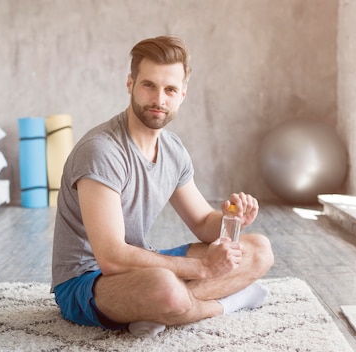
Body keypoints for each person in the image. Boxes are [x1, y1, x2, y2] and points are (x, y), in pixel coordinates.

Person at [51, 35, 274, 338]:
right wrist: (202, 270)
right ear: (130, 84)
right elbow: (111, 256)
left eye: (170, 89)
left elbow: (202, 223)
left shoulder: (172, 149)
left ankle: (154, 312)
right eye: (149, 85)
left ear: (182, 94)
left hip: (139, 264)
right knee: (164, 288)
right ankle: (227, 303)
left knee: (258, 250)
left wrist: (231, 220)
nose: (159, 99)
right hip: (85, 281)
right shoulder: (101, 150)